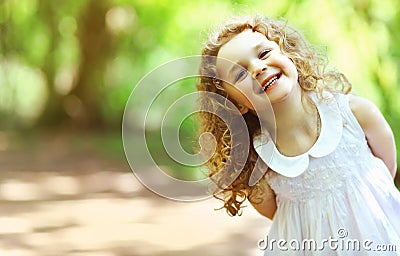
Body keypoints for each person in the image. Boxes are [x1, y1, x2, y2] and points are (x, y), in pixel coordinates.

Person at [196, 15, 400, 255]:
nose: (258, 68)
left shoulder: (355, 114)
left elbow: (386, 172)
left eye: (263, 54)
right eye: (240, 74)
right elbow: (275, 213)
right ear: (234, 104)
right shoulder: (257, 164)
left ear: (288, 54)